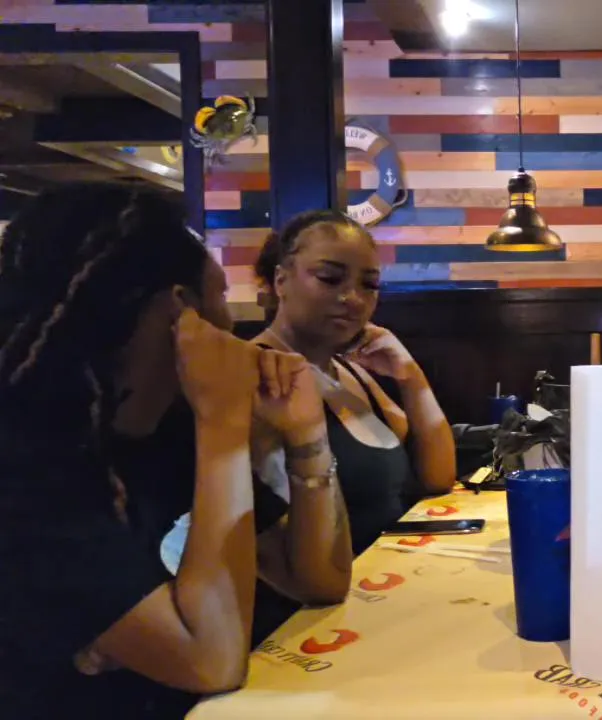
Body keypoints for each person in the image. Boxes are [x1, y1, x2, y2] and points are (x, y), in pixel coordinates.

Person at [0, 184, 351, 718]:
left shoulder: (165, 432)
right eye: (221, 296)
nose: (231, 323)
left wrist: (306, 434)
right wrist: (223, 422)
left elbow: (320, 579)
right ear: (182, 312)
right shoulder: (28, 462)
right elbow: (212, 660)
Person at [252, 209, 456, 553]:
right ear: (281, 280)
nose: (353, 298)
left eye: (369, 284)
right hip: (331, 584)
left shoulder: (351, 371)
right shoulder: (255, 372)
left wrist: (412, 378)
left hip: (391, 572)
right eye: (330, 278)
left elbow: (439, 476)